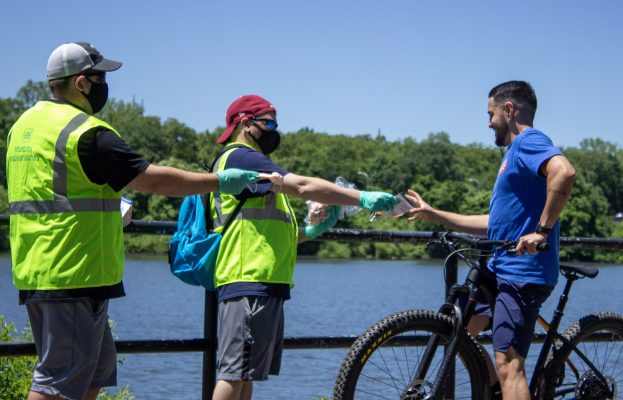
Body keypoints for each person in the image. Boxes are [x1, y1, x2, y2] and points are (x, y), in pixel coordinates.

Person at [5, 42, 262, 400]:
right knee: (58, 382)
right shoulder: (87, 132)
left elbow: (58, 192)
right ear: (81, 83)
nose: (105, 85)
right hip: (74, 271)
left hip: (39, 268)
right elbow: (154, 179)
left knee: (94, 373)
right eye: (100, 77)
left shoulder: (23, 127)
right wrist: (220, 181)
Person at [209, 94, 398, 400]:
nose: (274, 129)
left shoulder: (255, 165)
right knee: (233, 374)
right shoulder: (242, 157)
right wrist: (361, 198)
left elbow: (273, 233)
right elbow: (303, 186)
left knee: (244, 376)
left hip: (262, 279)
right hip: (248, 278)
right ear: (244, 123)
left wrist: (314, 229)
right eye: (268, 122)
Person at [406, 81, 576, 400]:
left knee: (509, 364)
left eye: (491, 114)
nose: (488, 123)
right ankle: (498, 390)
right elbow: (493, 224)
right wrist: (435, 214)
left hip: (523, 273)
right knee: (457, 329)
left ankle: (508, 384)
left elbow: (564, 172)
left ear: (508, 110)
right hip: (499, 267)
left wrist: (541, 230)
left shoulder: (529, 142)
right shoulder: (514, 155)